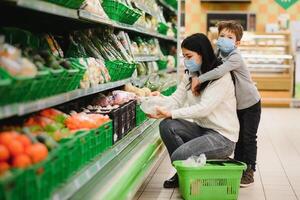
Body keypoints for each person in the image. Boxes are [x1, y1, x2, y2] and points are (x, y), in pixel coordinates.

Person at [148, 33, 239, 188]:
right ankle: (185, 174)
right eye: (183, 56)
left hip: (222, 137)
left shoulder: (220, 76)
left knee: (180, 156)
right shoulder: (191, 74)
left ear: (202, 53)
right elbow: (176, 99)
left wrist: (171, 113)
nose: (186, 61)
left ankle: (189, 170)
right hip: (202, 130)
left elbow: (203, 109)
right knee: (166, 125)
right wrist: (159, 100)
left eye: (189, 56)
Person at [191, 21, 261, 187]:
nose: (224, 39)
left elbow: (219, 71)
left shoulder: (235, 56)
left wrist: (198, 80)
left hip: (250, 104)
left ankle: (249, 171)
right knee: (238, 137)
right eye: (221, 36)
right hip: (237, 105)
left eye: (229, 37)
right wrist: (194, 73)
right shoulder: (218, 53)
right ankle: (238, 167)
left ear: (237, 43)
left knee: (248, 138)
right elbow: (205, 64)